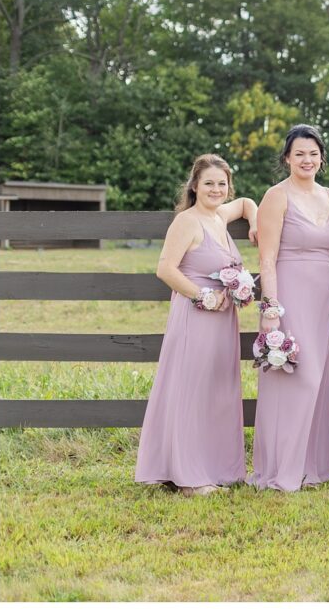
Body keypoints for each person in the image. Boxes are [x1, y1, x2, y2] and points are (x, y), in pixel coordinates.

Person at [135, 154, 258, 496]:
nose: (216, 189)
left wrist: (256, 221)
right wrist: (202, 295)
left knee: (216, 392)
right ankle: (189, 478)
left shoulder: (219, 215)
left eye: (222, 183)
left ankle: (213, 467)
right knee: (192, 390)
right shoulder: (188, 222)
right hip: (196, 317)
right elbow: (165, 269)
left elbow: (247, 203)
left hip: (222, 322)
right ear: (194, 186)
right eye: (209, 183)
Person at [249, 124, 329, 491]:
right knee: (296, 376)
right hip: (290, 290)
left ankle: (312, 467)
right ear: (287, 159)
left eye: (313, 153)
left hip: (324, 293)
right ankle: (281, 469)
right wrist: (271, 306)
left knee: (320, 378)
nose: (307, 160)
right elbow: (267, 258)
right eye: (299, 154)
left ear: (322, 158)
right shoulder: (277, 196)